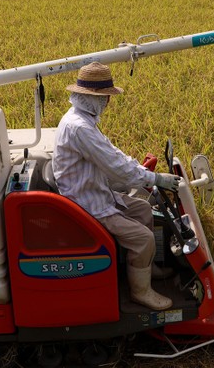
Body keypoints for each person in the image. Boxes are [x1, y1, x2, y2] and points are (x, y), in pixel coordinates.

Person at [52, 61, 181, 311]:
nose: (108, 103)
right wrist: (155, 179)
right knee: (144, 239)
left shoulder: (81, 119)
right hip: (87, 203)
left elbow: (112, 154)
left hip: (93, 190)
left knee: (143, 211)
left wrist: (141, 172)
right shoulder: (80, 128)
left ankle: (145, 268)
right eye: (105, 98)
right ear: (93, 98)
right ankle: (140, 291)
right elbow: (114, 165)